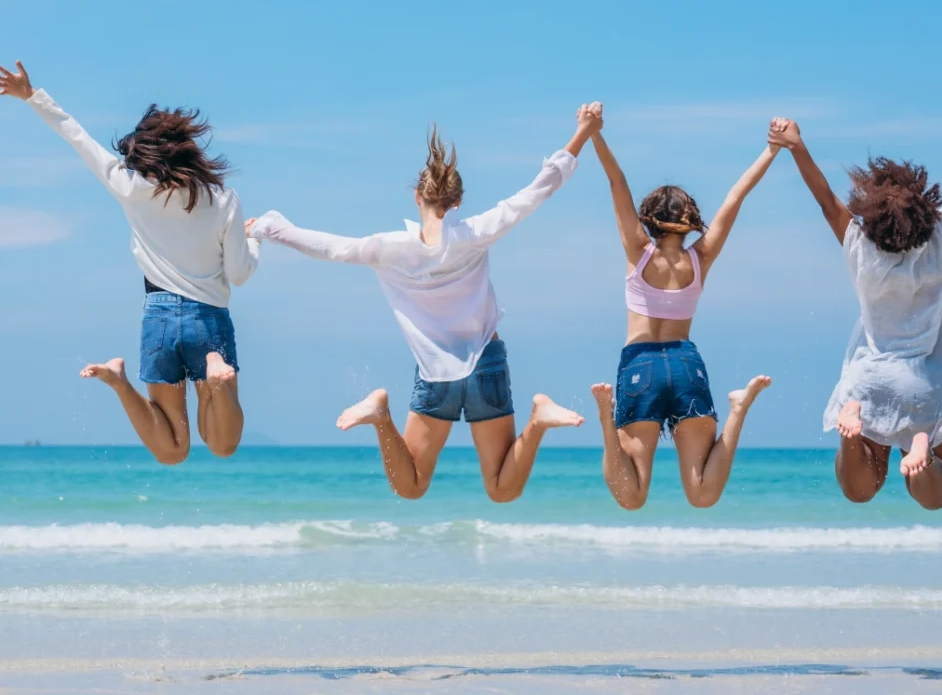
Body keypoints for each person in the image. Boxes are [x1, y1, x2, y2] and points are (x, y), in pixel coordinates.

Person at [248, 105, 603, 502]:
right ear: (458, 202)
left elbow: (330, 247)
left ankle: (380, 415)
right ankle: (538, 422)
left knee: (411, 487)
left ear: (417, 197)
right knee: (502, 490)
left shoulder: (389, 248)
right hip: (486, 362)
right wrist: (583, 133)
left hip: (436, 374)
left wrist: (268, 227)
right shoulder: (473, 234)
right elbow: (538, 190)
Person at [768, 65, 942, 510]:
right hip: (924, 384)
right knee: (935, 494)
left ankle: (853, 438)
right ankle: (921, 449)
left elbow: (827, 200)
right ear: (923, 204)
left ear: (871, 213)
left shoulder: (861, 249)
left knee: (859, 488)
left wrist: (796, 146)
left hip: (868, 382)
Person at [0, 61, 260, 464]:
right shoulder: (223, 199)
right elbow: (241, 275)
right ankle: (214, 375)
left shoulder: (131, 188)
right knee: (222, 445)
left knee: (173, 452)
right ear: (189, 148)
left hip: (157, 318)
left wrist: (32, 96)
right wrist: (254, 239)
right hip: (208, 318)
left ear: (143, 152)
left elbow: (78, 138)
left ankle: (120, 383)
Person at [588, 103, 773, 510]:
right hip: (687, 363)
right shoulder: (699, 259)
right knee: (702, 495)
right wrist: (771, 150)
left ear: (648, 221)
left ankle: (606, 418)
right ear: (688, 221)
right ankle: (738, 410)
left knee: (632, 496)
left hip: (641, 366)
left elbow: (616, 181)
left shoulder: (638, 251)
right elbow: (736, 196)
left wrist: (593, 132)